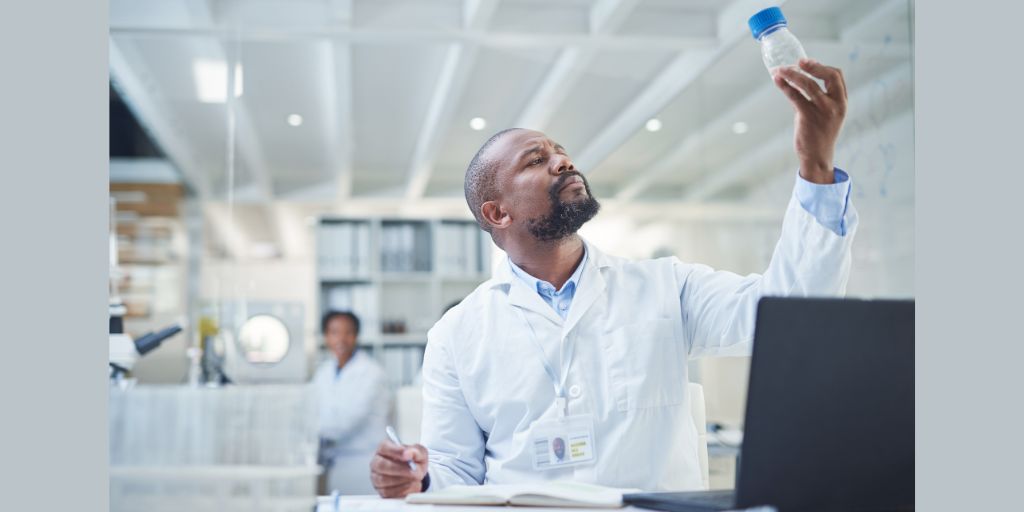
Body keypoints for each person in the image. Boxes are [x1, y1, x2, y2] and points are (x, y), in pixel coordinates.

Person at [371, 59, 856, 495]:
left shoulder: (668, 287)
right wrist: (418, 477)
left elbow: (793, 307)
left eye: (561, 152)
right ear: (498, 213)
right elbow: (455, 469)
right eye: (536, 161)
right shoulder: (456, 334)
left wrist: (816, 165)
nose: (564, 161)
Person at [313, 310, 390, 495]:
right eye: (334, 332)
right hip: (337, 464)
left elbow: (346, 422)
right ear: (326, 337)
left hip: (365, 464)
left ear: (356, 336)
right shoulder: (323, 372)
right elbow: (311, 409)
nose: (341, 339)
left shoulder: (371, 373)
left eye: (348, 332)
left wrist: (310, 430)